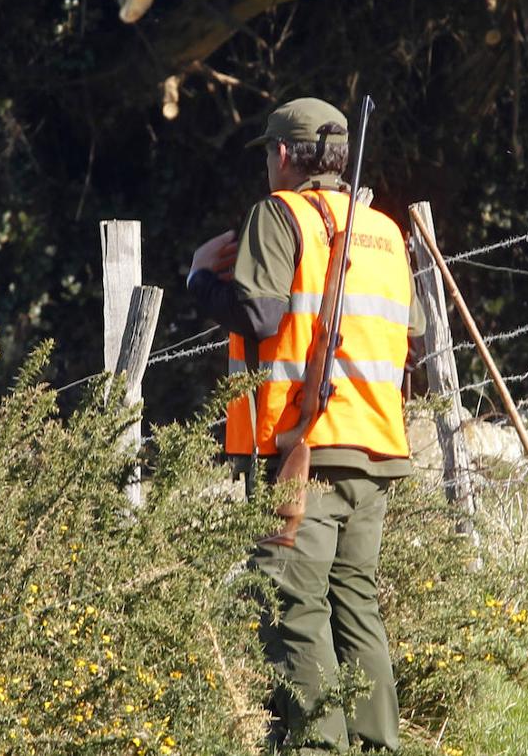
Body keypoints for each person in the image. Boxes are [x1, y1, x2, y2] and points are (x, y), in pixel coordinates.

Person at [187, 97, 421, 753]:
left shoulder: (277, 213)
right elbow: (416, 337)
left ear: (284, 155)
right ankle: (378, 744)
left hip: (300, 446)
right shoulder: (384, 231)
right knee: (356, 606)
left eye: (268, 151)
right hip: (374, 450)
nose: (268, 162)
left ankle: (317, 746)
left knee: (292, 607)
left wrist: (200, 277)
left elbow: (257, 317)